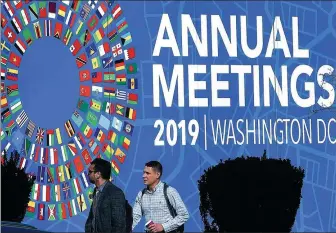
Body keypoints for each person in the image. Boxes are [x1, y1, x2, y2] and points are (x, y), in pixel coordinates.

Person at [132, 161, 189, 233]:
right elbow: (135, 216)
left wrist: (163, 226)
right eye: (144, 172)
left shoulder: (169, 191)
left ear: (157, 175)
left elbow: (184, 215)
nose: (143, 176)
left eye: (147, 173)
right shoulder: (141, 194)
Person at [85, 158, 126, 233]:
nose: (88, 174)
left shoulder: (115, 193)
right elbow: (93, 218)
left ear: (98, 174)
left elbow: (119, 225)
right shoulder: (96, 191)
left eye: (90, 172)